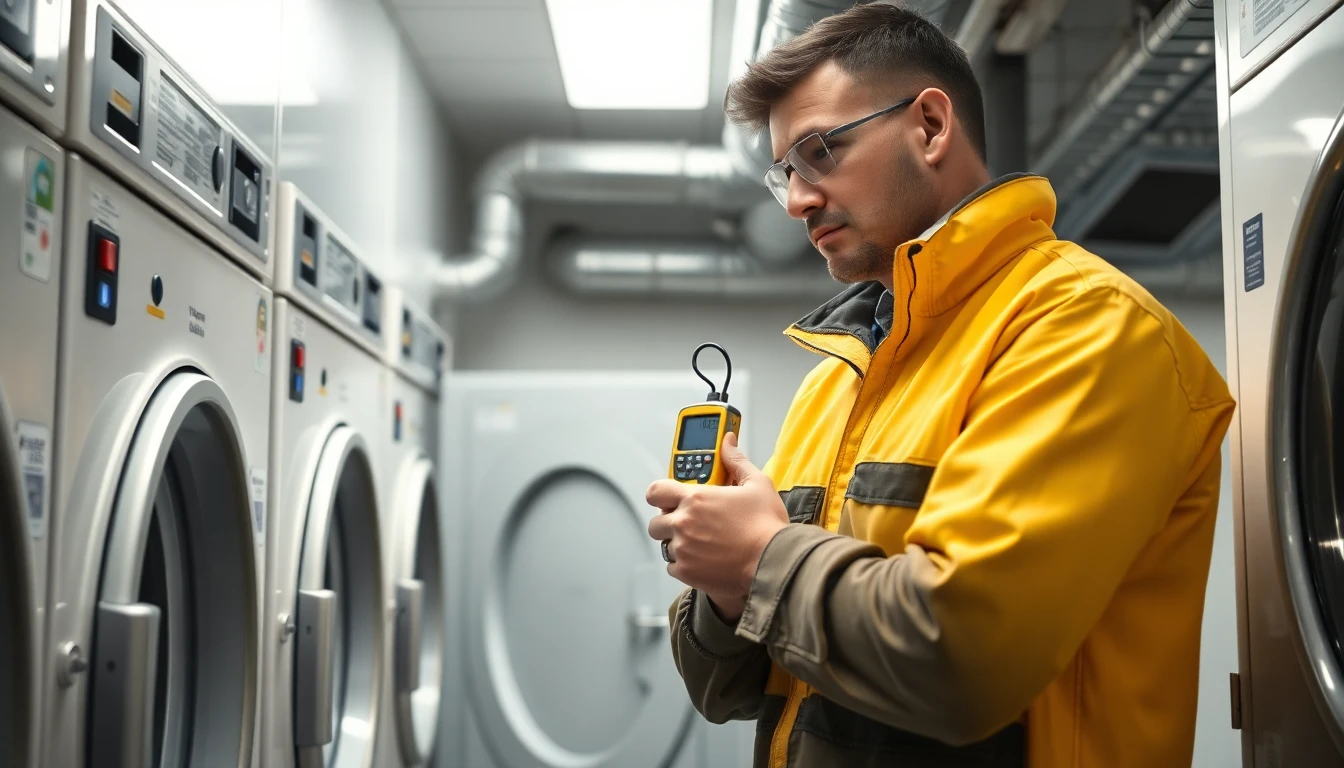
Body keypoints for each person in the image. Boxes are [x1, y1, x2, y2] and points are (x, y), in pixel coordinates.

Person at [643, 4, 1236, 767]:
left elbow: (963, 659)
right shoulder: (836, 379)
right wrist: (725, 590)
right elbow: (726, 691)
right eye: (785, 172)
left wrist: (761, 559)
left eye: (820, 151)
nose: (796, 200)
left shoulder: (1087, 329)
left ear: (928, 126)